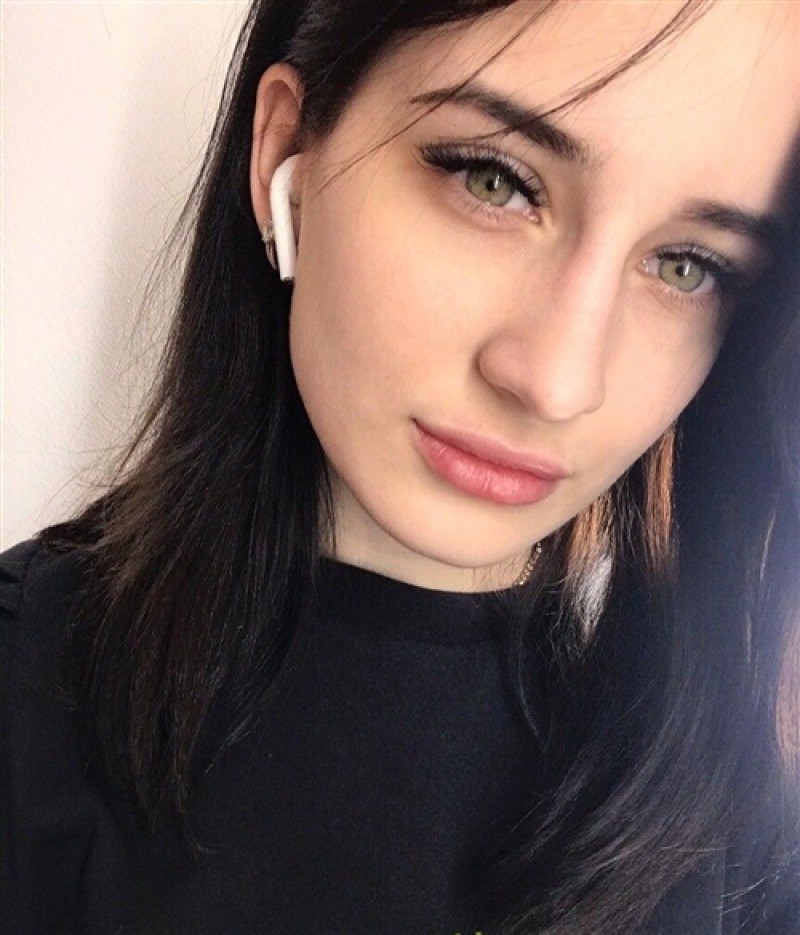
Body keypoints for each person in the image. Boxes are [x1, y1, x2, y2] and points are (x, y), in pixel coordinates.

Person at [2, 1, 799, 933]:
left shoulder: (746, 839)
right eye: (496, 181)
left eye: (689, 265)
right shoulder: (26, 698)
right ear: (286, 153)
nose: (556, 381)